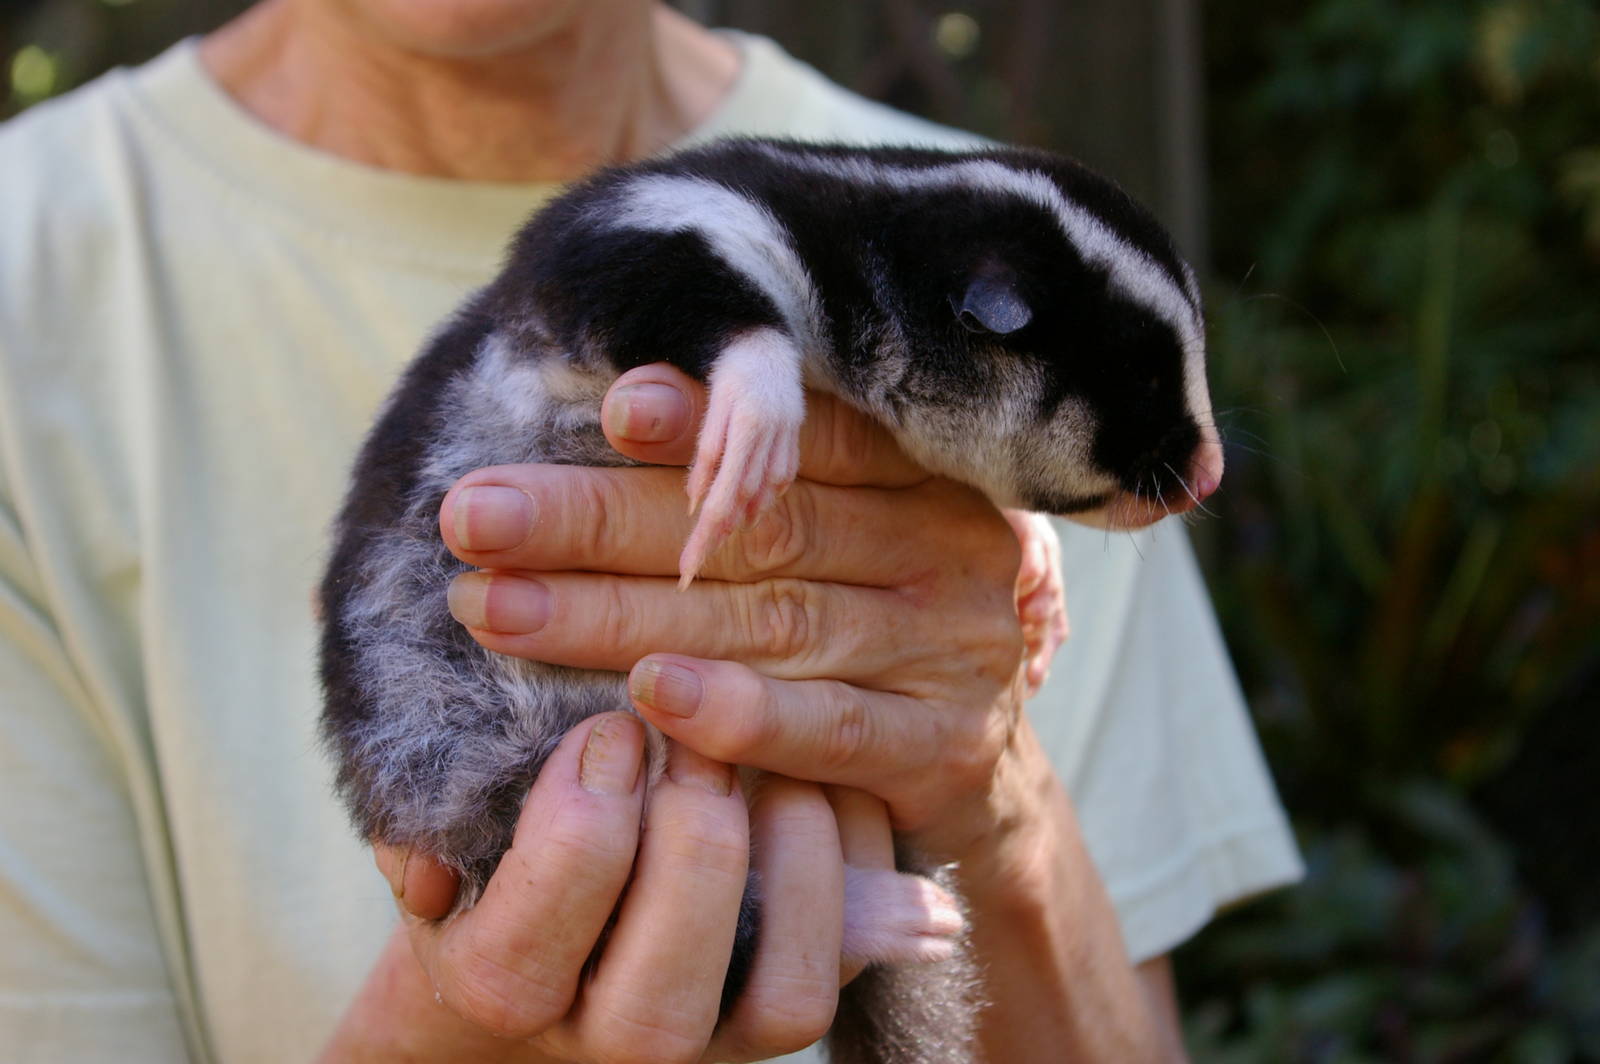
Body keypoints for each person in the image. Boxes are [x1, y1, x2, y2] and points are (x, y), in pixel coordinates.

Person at [0, 1, 1302, 1060]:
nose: (1201, 477)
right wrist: (461, 1022)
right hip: (475, 742)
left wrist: (997, 804)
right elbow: (651, 260)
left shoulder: (1015, 258)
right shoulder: (35, 281)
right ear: (986, 329)